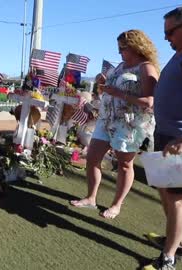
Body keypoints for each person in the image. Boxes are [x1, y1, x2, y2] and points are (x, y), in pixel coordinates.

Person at [143, 6, 182, 270]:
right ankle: (176, 241)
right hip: (166, 133)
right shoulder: (181, 53)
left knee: (178, 198)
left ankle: (169, 258)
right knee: (166, 192)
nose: (166, 38)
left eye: (170, 32)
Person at [69, 29, 159, 219]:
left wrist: (119, 94)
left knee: (125, 165)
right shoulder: (120, 66)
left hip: (129, 124)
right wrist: (103, 82)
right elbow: (110, 89)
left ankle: (116, 205)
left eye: (123, 48)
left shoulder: (146, 68)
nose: (120, 52)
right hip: (106, 119)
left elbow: (150, 101)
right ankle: (91, 198)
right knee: (92, 158)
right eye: (119, 48)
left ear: (136, 46)